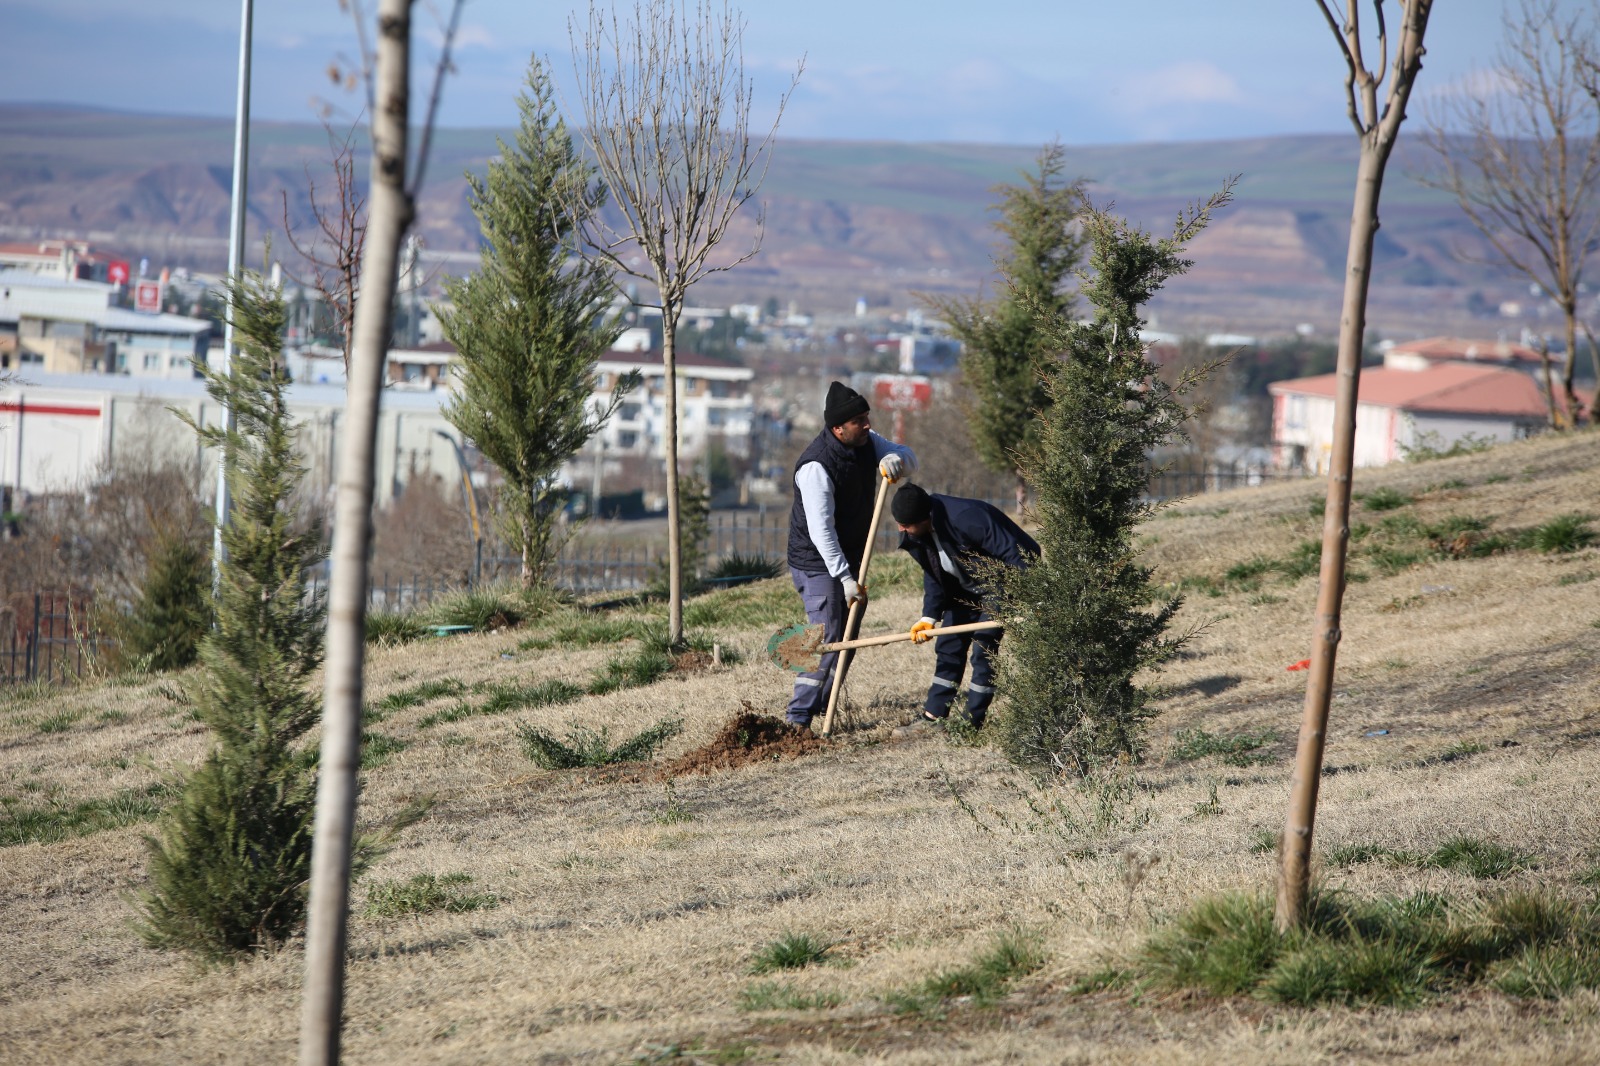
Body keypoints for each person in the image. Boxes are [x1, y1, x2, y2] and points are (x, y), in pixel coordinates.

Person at [786, 381, 917, 730]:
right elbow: (821, 531)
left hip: (850, 556)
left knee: (848, 637)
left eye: (867, 417)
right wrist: (844, 577)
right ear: (838, 427)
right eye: (860, 420)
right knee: (826, 636)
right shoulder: (816, 466)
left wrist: (895, 459)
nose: (868, 424)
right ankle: (796, 720)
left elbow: (910, 456)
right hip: (817, 562)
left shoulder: (866, 442)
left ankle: (824, 710)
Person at [891, 481, 1039, 730]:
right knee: (948, 645)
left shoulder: (968, 518)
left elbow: (1020, 554)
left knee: (984, 646)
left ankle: (972, 722)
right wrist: (929, 615)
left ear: (925, 517)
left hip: (1000, 584)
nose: (900, 529)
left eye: (906, 525)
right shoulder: (916, 532)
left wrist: (1034, 594)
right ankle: (933, 716)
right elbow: (934, 573)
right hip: (965, 588)